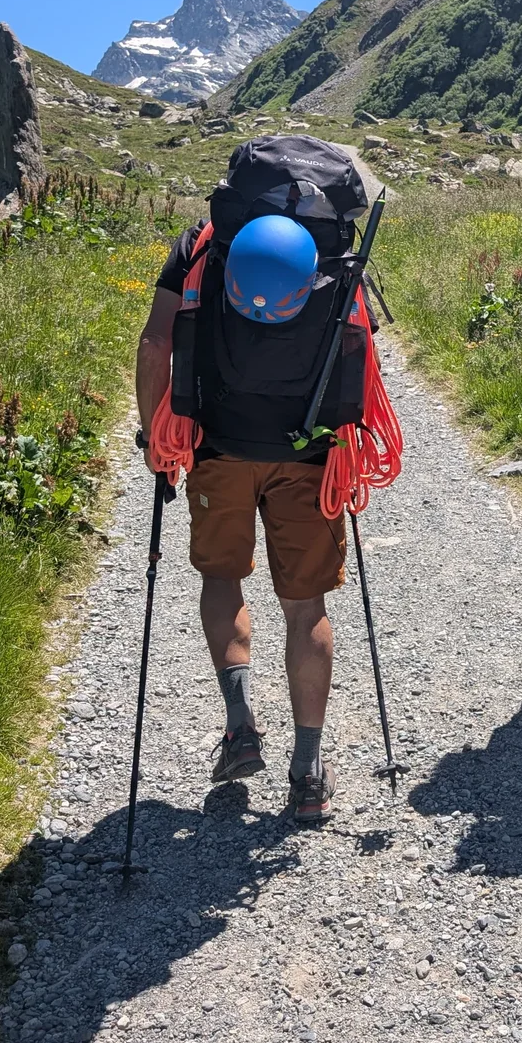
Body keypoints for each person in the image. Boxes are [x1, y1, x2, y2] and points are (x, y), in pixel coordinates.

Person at [135, 173, 355, 826]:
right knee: (305, 604)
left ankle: (240, 726)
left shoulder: (201, 243)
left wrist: (155, 436)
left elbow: (155, 342)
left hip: (216, 446)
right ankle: (308, 770)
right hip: (310, 451)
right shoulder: (336, 248)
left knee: (223, 576)